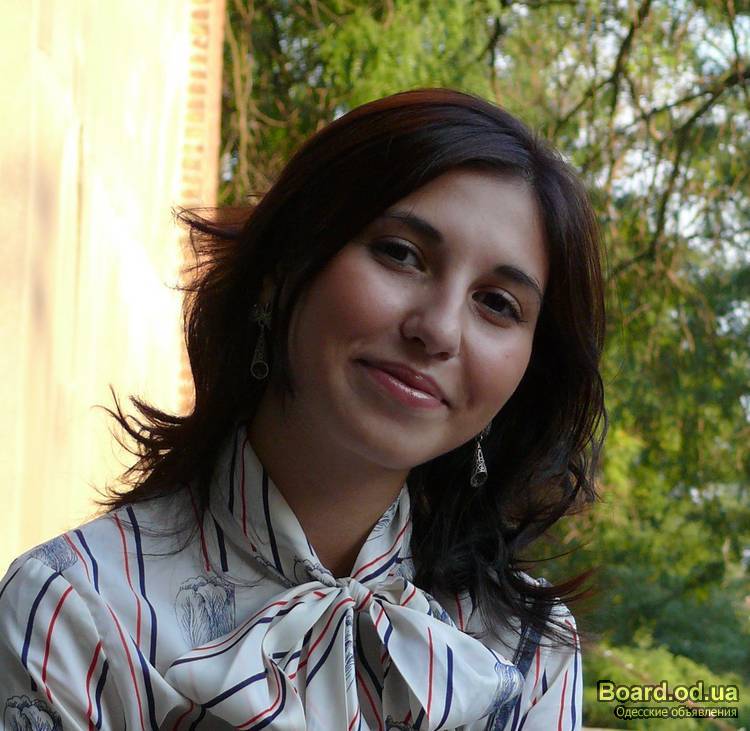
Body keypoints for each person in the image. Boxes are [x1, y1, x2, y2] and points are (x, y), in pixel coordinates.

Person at [0, 88, 605, 730]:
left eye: (497, 304)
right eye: (401, 253)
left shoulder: (530, 652)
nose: (439, 329)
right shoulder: (76, 610)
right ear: (284, 263)